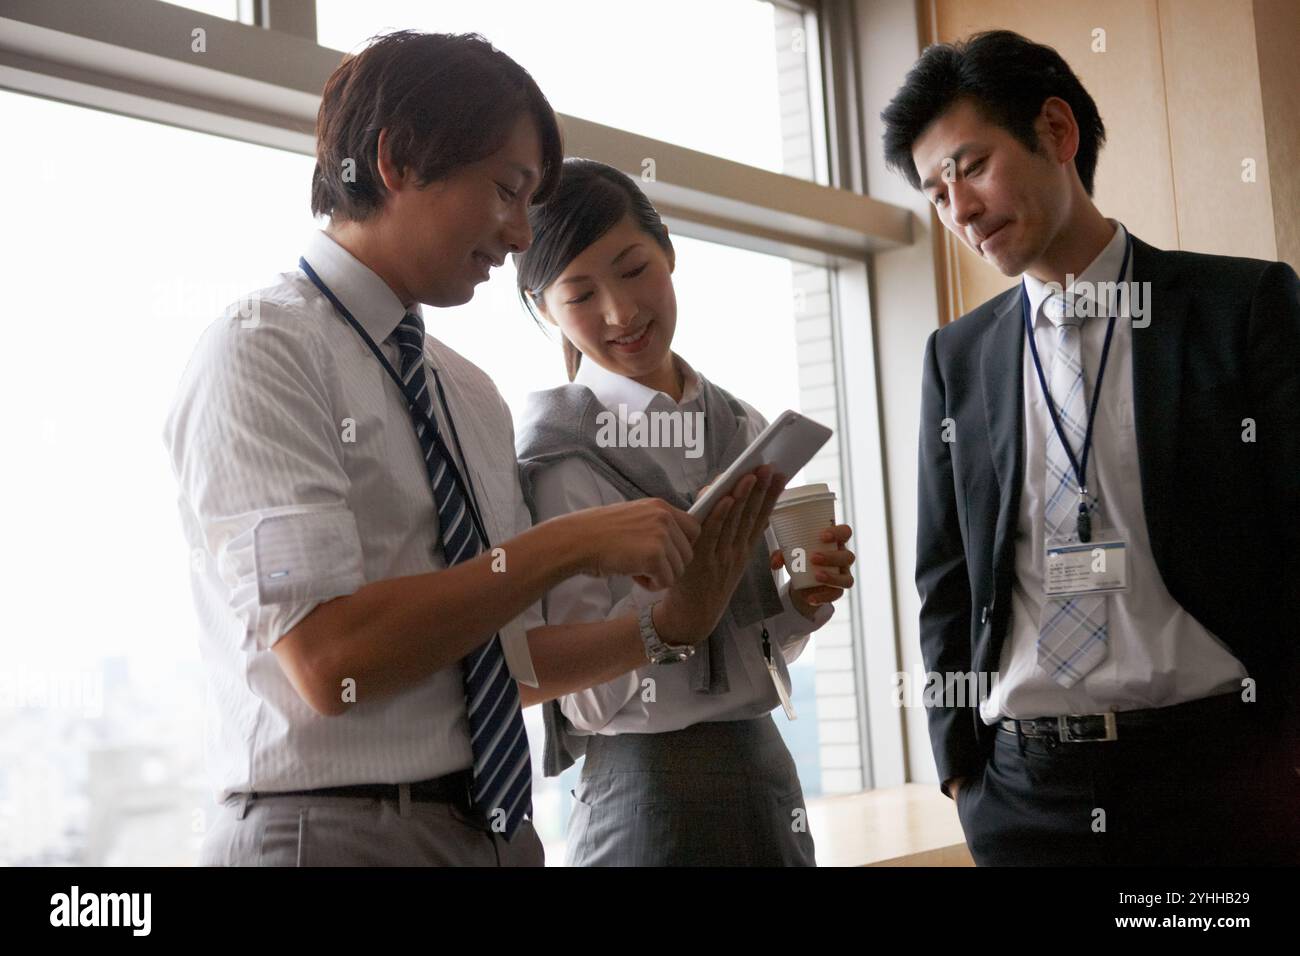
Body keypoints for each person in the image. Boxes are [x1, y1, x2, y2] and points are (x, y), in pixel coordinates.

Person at [163, 31, 771, 867]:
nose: (521, 234)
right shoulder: (264, 348)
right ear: (396, 160)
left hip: (494, 828)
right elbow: (330, 660)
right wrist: (568, 545)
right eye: (507, 191)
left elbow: (511, 665)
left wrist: (667, 626)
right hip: (331, 831)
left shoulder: (469, 392)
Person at [882, 29, 1299, 865]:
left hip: (1219, 780)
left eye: (972, 167)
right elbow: (945, 579)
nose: (960, 210)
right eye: (936, 192)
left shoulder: (1241, 305)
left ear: (1057, 131)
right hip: (1025, 798)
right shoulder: (956, 359)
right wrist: (962, 773)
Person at [513, 158, 857, 866]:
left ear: (668, 249)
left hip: (763, 763)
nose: (621, 312)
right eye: (581, 294)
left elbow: (758, 648)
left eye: (635, 269)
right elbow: (579, 701)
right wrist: (669, 615)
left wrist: (800, 601)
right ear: (542, 309)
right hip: (645, 785)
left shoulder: (742, 426)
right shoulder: (559, 458)